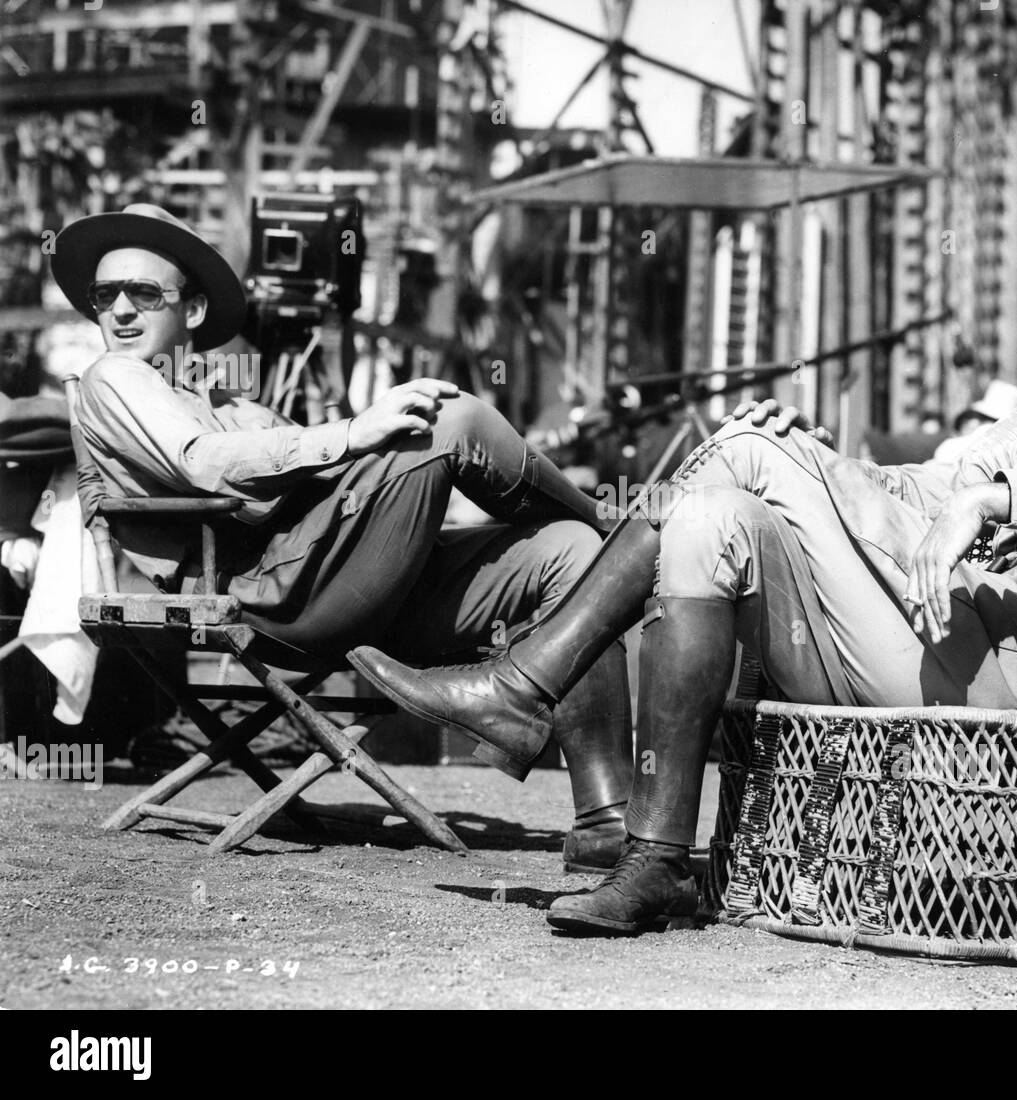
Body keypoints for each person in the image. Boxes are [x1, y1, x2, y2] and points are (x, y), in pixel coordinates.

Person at [349, 215, 1017, 934]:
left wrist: (995, 500)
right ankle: (657, 860)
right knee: (710, 514)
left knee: (741, 455)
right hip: (914, 647)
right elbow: (913, 486)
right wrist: (824, 458)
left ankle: (524, 685)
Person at [53, 204, 634, 872]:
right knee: (450, 416)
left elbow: (296, 471)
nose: (121, 310)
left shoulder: (211, 396)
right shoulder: (115, 377)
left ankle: (604, 821)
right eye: (106, 295)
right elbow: (201, 463)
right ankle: (622, 532)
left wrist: (352, 439)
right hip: (272, 599)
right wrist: (357, 432)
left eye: (144, 292)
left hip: (334, 582)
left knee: (571, 555)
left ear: (189, 310)